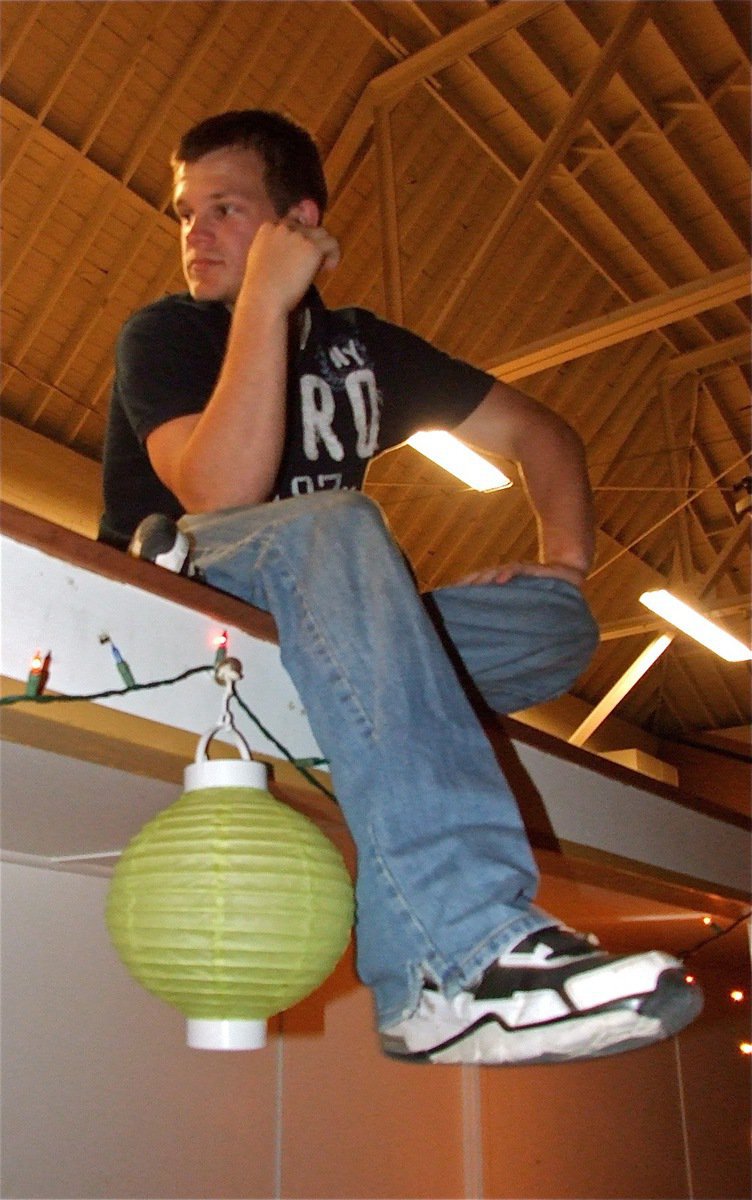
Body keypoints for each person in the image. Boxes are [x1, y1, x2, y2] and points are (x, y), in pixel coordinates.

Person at [99, 109, 702, 1065]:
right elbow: (220, 490)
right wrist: (260, 305)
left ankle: (357, 671)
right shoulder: (166, 333)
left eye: (224, 209)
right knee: (337, 522)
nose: (195, 235)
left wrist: (566, 560)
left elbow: (544, 433)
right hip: (192, 588)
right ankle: (454, 959)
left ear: (299, 221)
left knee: (556, 628)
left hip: (320, 612)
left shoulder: (365, 351)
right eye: (185, 214)